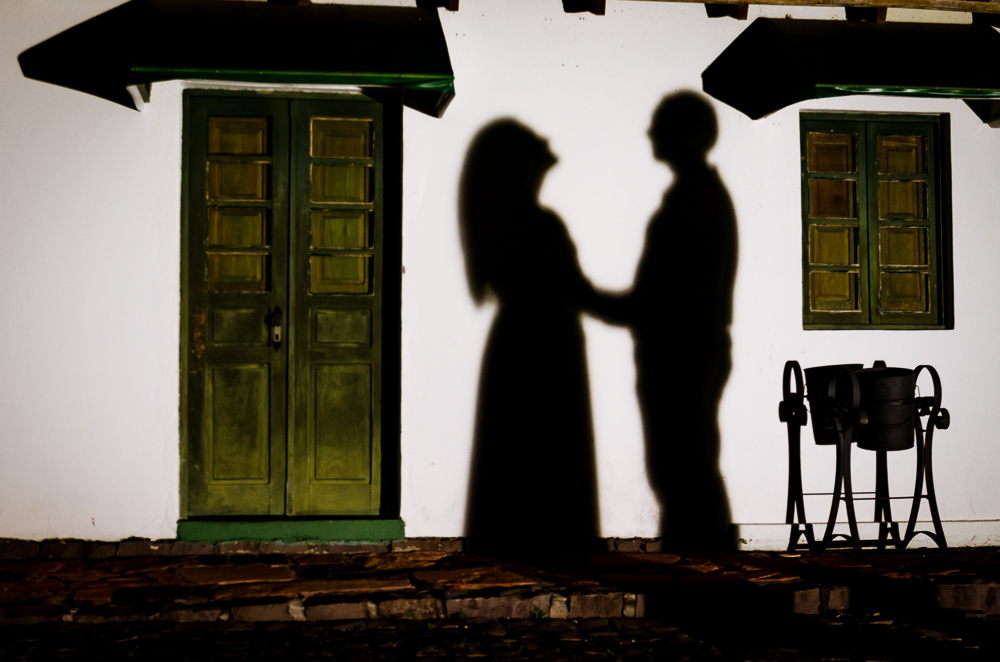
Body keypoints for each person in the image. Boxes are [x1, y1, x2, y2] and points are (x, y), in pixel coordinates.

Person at [460, 119, 606, 556]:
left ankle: (513, 541)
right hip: (550, 344)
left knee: (515, 448)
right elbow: (580, 291)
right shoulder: (539, 225)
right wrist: (648, 308)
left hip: (516, 344)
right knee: (550, 446)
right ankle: (552, 544)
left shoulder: (495, 224)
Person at [606, 92, 739, 551]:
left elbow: (662, 297)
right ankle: (702, 565)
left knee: (684, 466)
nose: (651, 134)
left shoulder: (695, 201)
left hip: (683, 352)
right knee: (686, 464)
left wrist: (574, 291)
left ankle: (703, 568)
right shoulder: (696, 196)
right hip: (687, 349)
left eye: (660, 125)